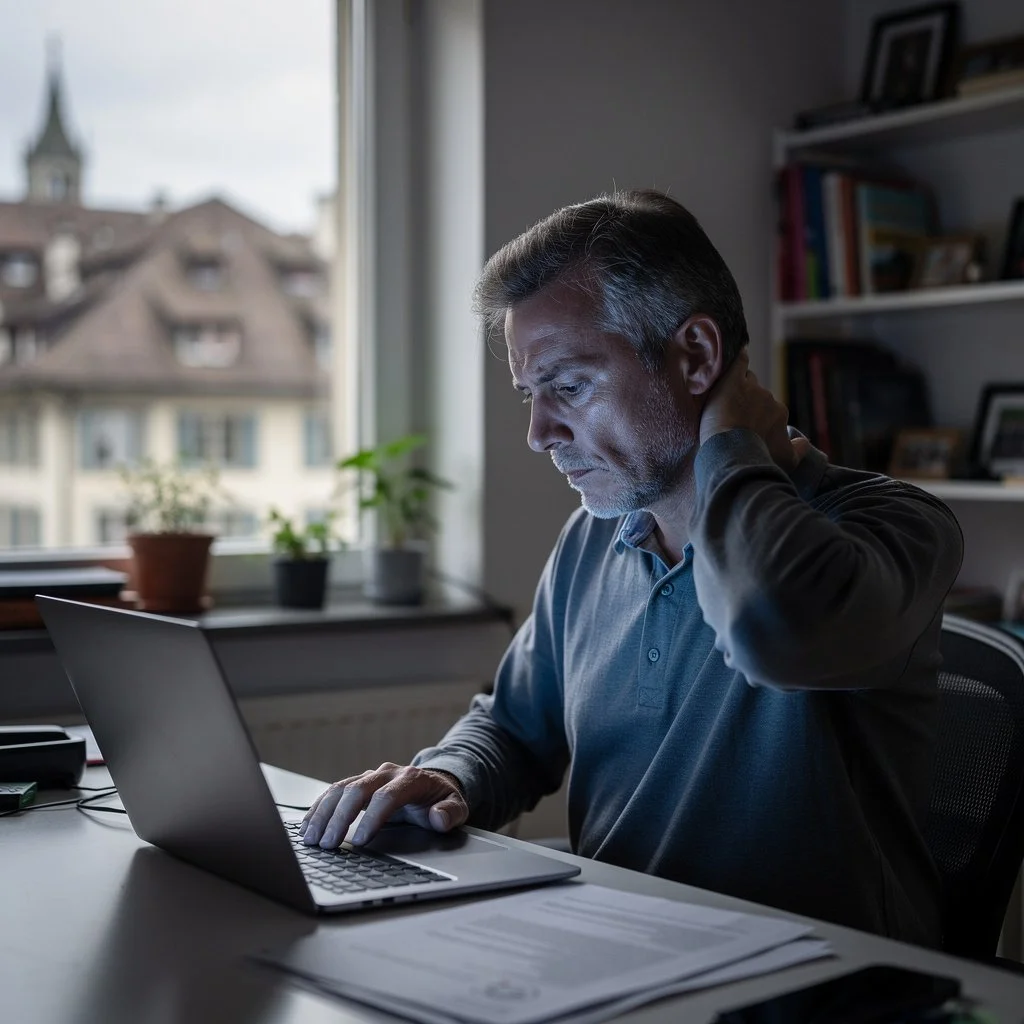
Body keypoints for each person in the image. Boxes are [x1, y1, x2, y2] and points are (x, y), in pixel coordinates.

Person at [300, 189, 963, 945]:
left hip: (816, 986)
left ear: (698, 357)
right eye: (530, 395)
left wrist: (731, 447)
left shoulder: (898, 525)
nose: (540, 433)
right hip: (617, 957)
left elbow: (775, 633)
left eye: (570, 387)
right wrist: (450, 776)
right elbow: (514, 728)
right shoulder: (592, 538)